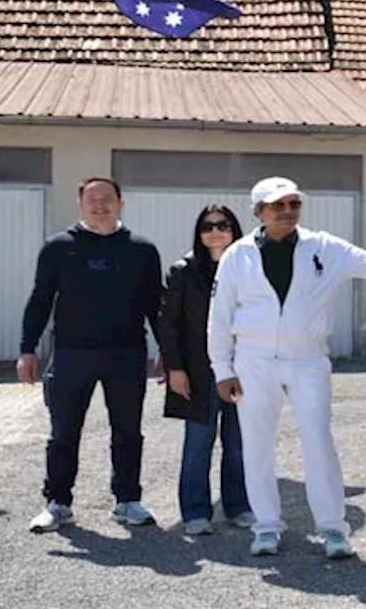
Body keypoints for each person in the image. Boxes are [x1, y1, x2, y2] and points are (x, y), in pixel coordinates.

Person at [208, 176, 366, 559]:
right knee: (256, 446)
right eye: (279, 206)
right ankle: (266, 527)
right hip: (254, 362)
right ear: (259, 212)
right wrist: (221, 369)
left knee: (319, 443)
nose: (288, 212)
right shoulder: (237, 256)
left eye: (294, 204)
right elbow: (220, 317)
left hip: (308, 360)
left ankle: (332, 529)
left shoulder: (323, 247)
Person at [18, 177, 163, 533]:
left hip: (127, 353)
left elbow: (154, 305)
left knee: (128, 431)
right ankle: (58, 503)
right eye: (92, 199)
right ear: (80, 203)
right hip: (71, 354)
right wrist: (27, 348)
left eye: (107, 199)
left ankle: (127, 501)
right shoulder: (58, 247)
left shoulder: (142, 249)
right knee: (63, 432)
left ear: (121, 202)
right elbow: (40, 300)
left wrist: (168, 351)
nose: (100, 205)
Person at [157, 204, 254, 536]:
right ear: (199, 233)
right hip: (198, 372)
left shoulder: (249, 268)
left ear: (234, 230)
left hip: (242, 370)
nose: (215, 231)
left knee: (239, 443)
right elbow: (168, 325)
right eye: (208, 226)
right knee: (199, 442)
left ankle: (239, 507)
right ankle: (196, 512)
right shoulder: (183, 271)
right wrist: (175, 368)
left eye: (223, 225)